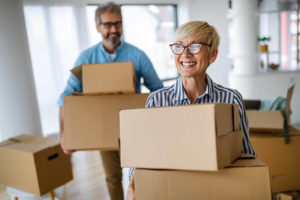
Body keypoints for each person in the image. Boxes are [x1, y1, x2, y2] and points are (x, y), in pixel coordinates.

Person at [126, 20, 256, 200]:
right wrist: (133, 183)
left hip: (218, 191)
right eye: (179, 47)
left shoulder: (231, 100)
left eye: (194, 46)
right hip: (171, 192)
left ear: (213, 55)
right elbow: (143, 155)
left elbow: (245, 152)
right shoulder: (157, 100)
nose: (185, 54)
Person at [58, 2, 163, 200]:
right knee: (113, 178)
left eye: (118, 24)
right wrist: (65, 134)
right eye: (107, 25)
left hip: (135, 128)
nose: (113, 29)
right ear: (98, 27)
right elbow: (66, 97)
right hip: (104, 130)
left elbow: (157, 90)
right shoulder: (87, 57)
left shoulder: (137, 55)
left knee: (140, 177)